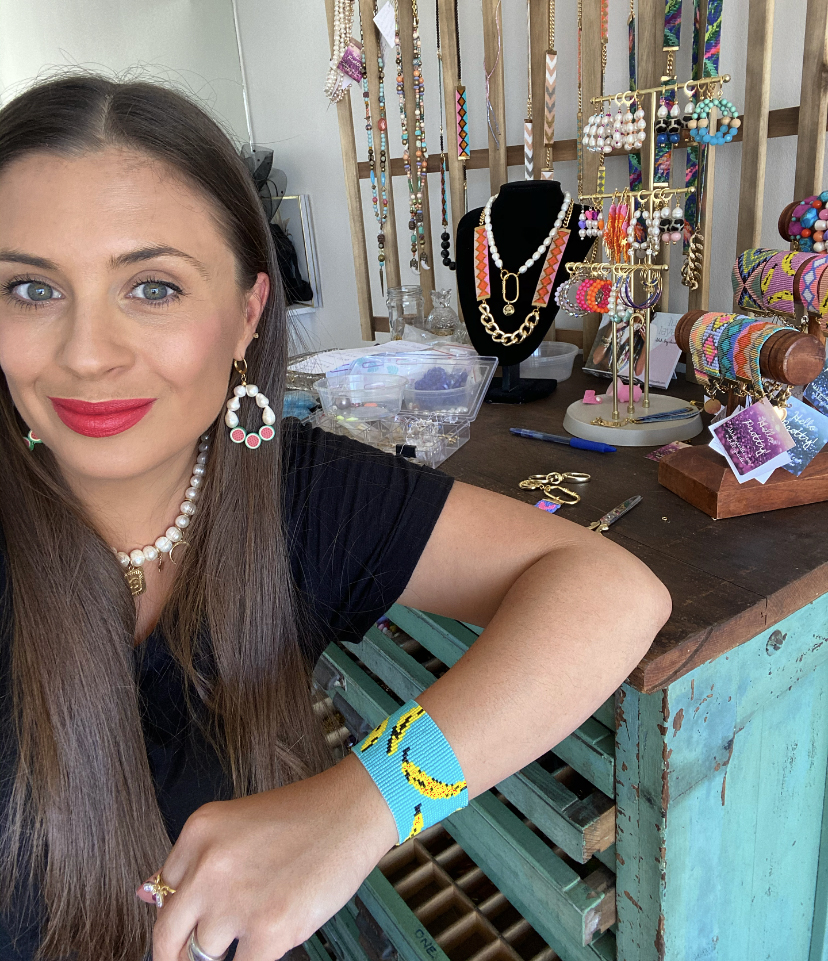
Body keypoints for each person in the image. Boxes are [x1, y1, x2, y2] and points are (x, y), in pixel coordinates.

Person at [0, 73, 671, 961]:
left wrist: (363, 802)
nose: (86, 353)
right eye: (30, 290)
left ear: (247, 315)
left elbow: (612, 592)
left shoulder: (292, 491)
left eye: (153, 287)